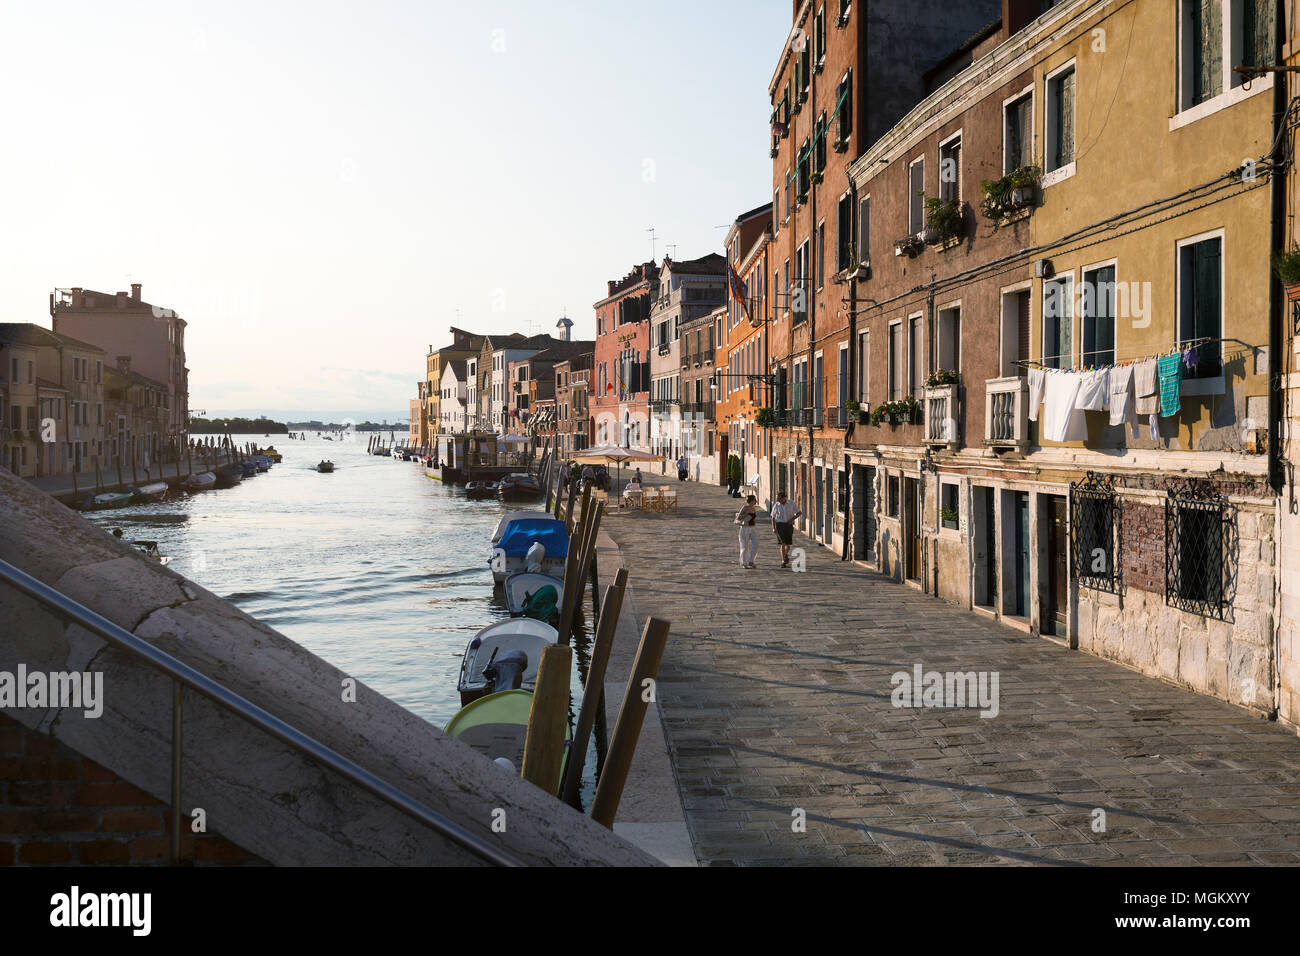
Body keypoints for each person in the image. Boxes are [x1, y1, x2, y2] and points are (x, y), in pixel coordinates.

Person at [770, 490, 802, 568]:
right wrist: (773, 528)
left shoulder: (791, 503)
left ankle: (785, 554)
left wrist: (792, 519)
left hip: (788, 525)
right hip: (779, 525)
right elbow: (773, 517)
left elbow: (799, 513)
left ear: (784, 498)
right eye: (777, 499)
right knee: (782, 543)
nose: (778, 501)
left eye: (779, 499)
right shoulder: (776, 505)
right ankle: (783, 561)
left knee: (788, 545)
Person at [736, 494, 759, 569]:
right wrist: (746, 514)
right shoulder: (745, 507)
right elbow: (738, 517)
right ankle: (744, 563)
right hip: (745, 528)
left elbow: (753, 518)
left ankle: (751, 561)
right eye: (755, 500)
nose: (756, 501)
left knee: (755, 544)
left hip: (753, 528)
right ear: (751, 501)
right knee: (744, 546)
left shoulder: (754, 508)